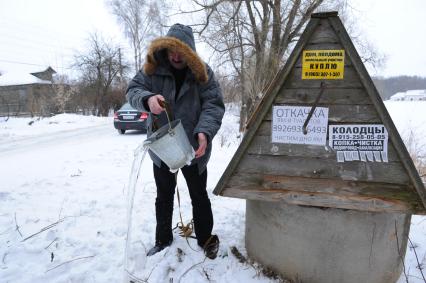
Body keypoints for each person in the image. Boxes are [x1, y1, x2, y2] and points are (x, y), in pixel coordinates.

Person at [126, 23, 225, 260]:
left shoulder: (203, 73)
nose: (176, 56)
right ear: (166, 49)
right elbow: (132, 90)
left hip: (194, 147)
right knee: (164, 195)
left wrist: (204, 132)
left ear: (189, 51)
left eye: (182, 51)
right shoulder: (152, 70)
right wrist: (148, 99)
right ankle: (162, 239)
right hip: (162, 148)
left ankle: (205, 239)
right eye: (172, 50)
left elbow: (213, 104)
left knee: (199, 194)